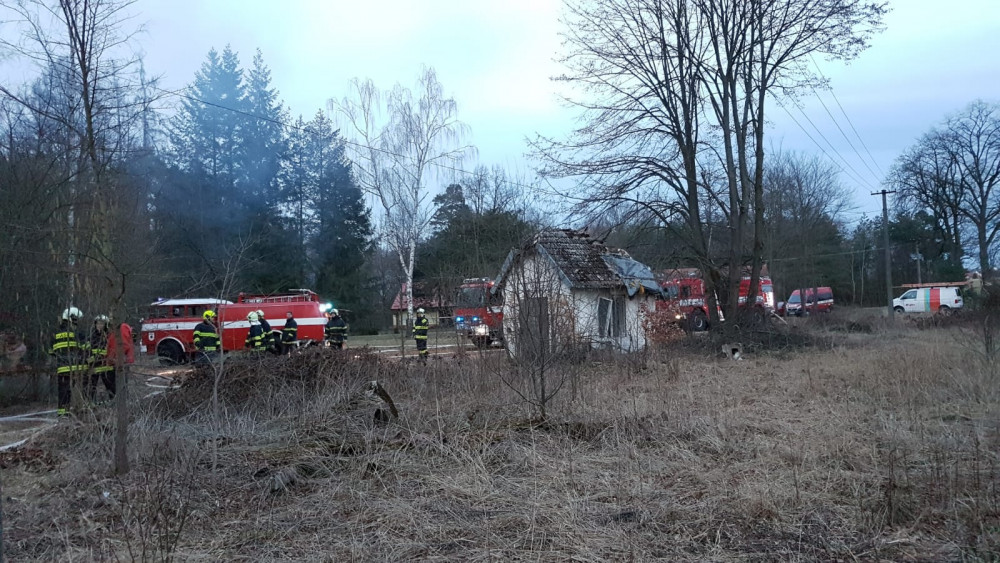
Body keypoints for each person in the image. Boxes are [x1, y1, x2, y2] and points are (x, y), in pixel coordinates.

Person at [50, 307, 86, 414]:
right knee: (79, 391)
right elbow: (85, 349)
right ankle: (79, 410)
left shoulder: (56, 333)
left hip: (62, 368)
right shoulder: (77, 333)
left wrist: (61, 357)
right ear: (72, 318)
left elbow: (51, 351)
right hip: (77, 368)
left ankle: (62, 413)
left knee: (63, 391)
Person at [86, 315, 116, 401]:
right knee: (92, 385)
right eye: (98, 323)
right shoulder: (92, 336)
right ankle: (91, 402)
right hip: (95, 364)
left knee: (110, 384)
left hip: (106, 364)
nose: (99, 325)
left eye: (102, 323)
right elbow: (88, 349)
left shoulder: (108, 336)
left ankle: (113, 400)